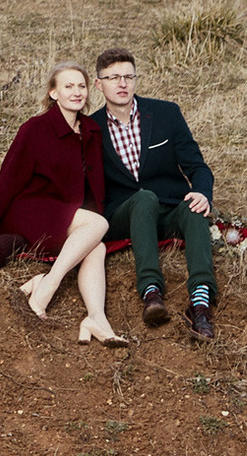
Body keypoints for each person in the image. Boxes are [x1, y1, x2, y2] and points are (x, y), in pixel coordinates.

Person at [0, 62, 127, 345]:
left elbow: (97, 182)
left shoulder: (91, 130)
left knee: (98, 244)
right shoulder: (35, 128)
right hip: (29, 210)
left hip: (66, 214)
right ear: (53, 93)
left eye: (81, 86)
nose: (77, 92)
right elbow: (8, 179)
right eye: (68, 86)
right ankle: (48, 288)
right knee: (98, 225)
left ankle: (95, 317)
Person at [91, 47, 218, 340]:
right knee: (144, 198)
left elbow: (197, 167)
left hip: (168, 207)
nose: (121, 84)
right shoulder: (91, 128)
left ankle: (200, 303)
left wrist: (202, 193)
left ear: (136, 80)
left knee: (194, 206)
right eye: (112, 77)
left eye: (127, 76)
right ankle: (151, 293)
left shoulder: (165, 114)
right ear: (99, 84)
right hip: (125, 212)